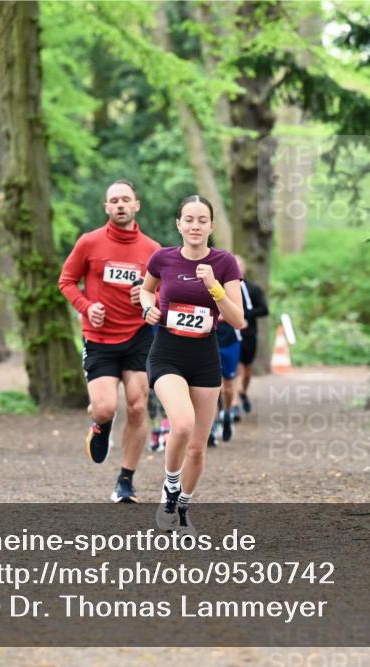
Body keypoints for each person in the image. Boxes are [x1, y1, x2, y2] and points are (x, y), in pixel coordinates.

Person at [139, 195, 244, 534]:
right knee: (181, 425)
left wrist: (213, 286)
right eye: (189, 219)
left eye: (202, 220)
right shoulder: (163, 258)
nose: (195, 226)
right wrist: (147, 308)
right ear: (178, 224)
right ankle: (170, 489)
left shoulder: (225, 263)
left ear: (211, 226)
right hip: (167, 350)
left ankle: (183, 507)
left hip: (204, 355)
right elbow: (145, 291)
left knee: (197, 449)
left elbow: (238, 319)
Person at [58, 180, 160, 503]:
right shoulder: (89, 243)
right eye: (113, 200)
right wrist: (87, 307)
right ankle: (100, 425)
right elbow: (66, 281)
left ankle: (125, 480)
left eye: (125, 199)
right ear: (106, 208)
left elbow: (165, 292)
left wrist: (148, 296)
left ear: (136, 205)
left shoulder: (152, 250)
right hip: (99, 337)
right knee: (104, 408)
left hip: (138, 335)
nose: (119, 205)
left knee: (138, 404)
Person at [234, 257, 268, 416]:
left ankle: (242, 392)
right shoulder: (221, 288)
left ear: (245, 269)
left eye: (240, 265)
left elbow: (264, 309)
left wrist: (245, 315)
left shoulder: (253, 289)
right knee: (234, 368)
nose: (237, 268)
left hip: (249, 334)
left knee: (246, 370)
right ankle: (232, 403)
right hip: (230, 334)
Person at [214, 320, 242, 441]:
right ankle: (211, 427)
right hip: (209, 339)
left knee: (227, 388)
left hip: (230, 342)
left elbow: (240, 318)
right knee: (210, 387)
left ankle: (226, 413)